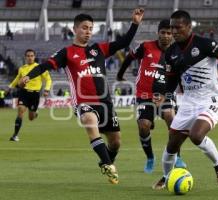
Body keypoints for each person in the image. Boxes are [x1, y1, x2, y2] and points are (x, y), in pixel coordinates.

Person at [18, 9, 144, 185]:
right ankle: (109, 166)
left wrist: (135, 23)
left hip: (105, 103)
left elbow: (124, 42)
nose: (88, 31)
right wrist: (28, 76)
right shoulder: (66, 53)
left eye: (91, 28)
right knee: (90, 122)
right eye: (84, 28)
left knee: (115, 142)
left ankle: (106, 161)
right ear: (74, 29)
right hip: (84, 102)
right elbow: (44, 66)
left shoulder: (99, 49)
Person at [152, 10, 218, 190]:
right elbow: (172, 79)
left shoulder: (205, 45)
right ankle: (168, 177)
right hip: (188, 103)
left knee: (196, 135)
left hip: (210, 100)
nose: (174, 31)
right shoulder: (171, 52)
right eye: (172, 28)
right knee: (172, 144)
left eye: (178, 27)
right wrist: (165, 96)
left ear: (189, 27)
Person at [116, 19, 186, 173]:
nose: (166, 36)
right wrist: (120, 74)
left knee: (172, 119)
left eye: (169, 33)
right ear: (158, 33)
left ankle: (177, 156)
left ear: (173, 35)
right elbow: (129, 58)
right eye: (163, 32)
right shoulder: (145, 47)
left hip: (166, 94)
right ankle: (150, 157)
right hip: (144, 94)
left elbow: (180, 75)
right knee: (144, 126)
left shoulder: (177, 52)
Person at [7, 49, 52, 141]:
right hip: (24, 93)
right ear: (25, 57)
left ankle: (35, 113)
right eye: (28, 56)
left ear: (34, 57)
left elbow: (48, 79)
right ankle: (15, 135)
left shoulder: (40, 68)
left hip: (35, 95)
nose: (30, 57)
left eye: (32, 56)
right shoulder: (22, 68)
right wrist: (10, 86)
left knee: (31, 118)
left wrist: (47, 89)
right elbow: (17, 79)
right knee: (20, 111)